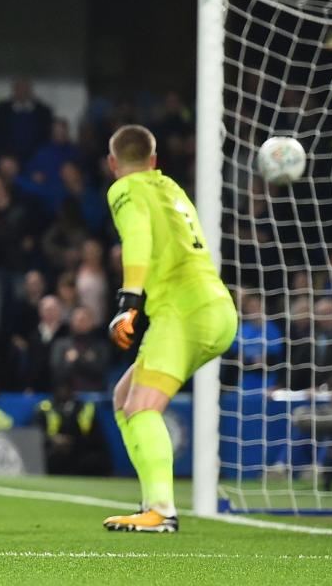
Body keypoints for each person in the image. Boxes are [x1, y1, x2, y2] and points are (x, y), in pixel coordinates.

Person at [101, 125, 236, 533]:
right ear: (154, 161)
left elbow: (138, 238)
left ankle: (161, 510)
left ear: (113, 164)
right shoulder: (172, 189)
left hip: (183, 312)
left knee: (141, 407)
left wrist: (129, 303)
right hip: (217, 306)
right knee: (124, 398)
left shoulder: (124, 190)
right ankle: (151, 502)